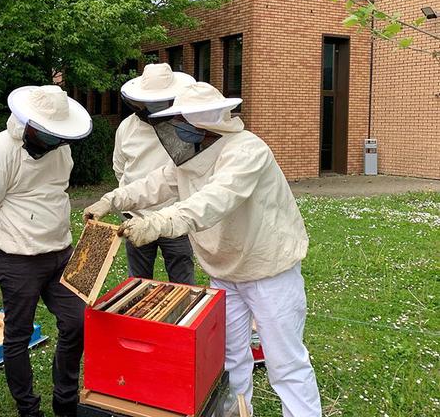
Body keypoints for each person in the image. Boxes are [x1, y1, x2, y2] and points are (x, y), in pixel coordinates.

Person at [84, 82, 322, 417]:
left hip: (268, 272)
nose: (175, 131)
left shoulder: (246, 151)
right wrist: (113, 199)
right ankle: (237, 412)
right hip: (223, 272)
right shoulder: (191, 158)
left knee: (286, 363)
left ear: (204, 125)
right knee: (229, 358)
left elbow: (213, 201)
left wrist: (157, 224)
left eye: (180, 123)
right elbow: (154, 184)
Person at [0, 85, 92, 417]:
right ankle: (28, 408)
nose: (54, 138)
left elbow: (57, 190)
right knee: (18, 336)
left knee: (78, 322)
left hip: (60, 252)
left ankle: (65, 399)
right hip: (17, 258)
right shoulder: (1, 152)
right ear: (30, 124)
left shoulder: (60, 149)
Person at [113, 63, 196, 284]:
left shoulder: (184, 126)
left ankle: (183, 319)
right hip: (137, 218)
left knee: (182, 282)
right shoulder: (126, 128)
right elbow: (120, 168)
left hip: (175, 216)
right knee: (137, 283)